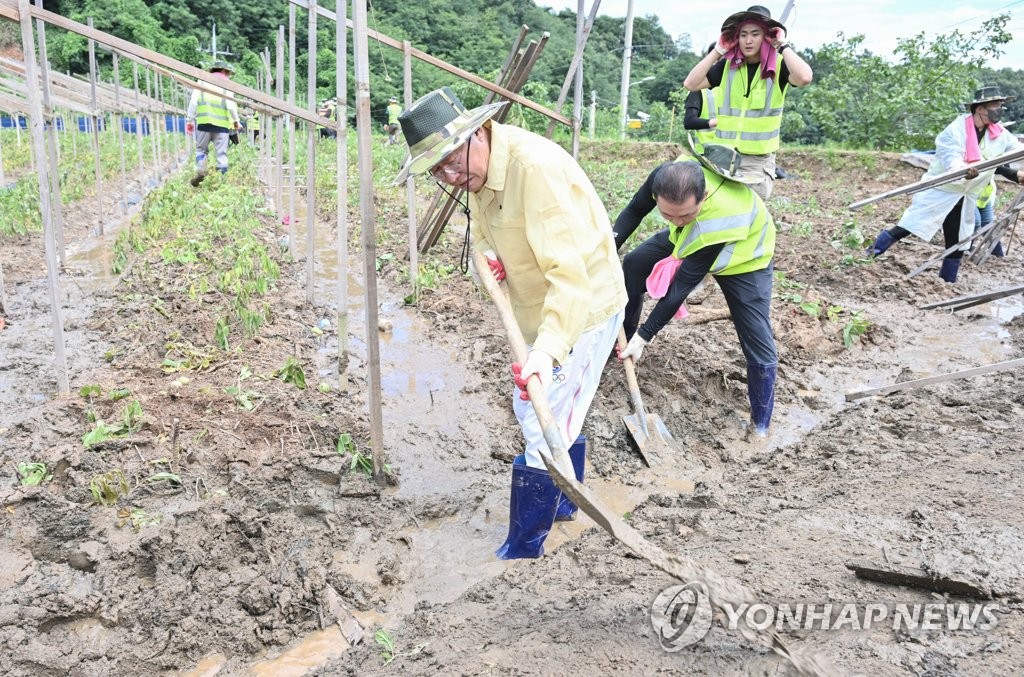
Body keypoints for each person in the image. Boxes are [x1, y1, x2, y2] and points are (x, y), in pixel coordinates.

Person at [393, 87, 627, 560]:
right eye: (436, 169)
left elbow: (571, 276)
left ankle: (523, 550)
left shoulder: (531, 169)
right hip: (535, 308)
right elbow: (486, 232)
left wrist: (545, 353)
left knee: (545, 425)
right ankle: (563, 504)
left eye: (452, 160)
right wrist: (496, 256)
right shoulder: (477, 177)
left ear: (479, 133)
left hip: (580, 311)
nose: (449, 175)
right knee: (544, 414)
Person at [613, 141, 779, 439]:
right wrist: (608, 249)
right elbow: (635, 210)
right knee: (635, 264)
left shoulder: (719, 218)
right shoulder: (667, 178)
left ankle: (761, 424)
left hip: (745, 257)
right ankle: (620, 343)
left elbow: (679, 289)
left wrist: (645, 336)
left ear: (703, 197)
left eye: (684, 215)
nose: (675, 221)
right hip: (696, 233)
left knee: (755, 333)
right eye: (668, 216)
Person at [867, 86, 1024, 282]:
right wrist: (964, 170)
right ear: (980, 109)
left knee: (957, 241)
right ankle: (870, 254)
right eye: (995, 105)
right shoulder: (955, 130)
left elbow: (1009, 154)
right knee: (909, 225)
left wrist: (1017, 174)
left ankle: (947, 281)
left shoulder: (998, 133)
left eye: (1000, 106)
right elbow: (952, 160)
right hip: (942, 189)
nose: (999, 110)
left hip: (965, 195)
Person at [682, 5, 812, 201]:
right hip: (722, 158)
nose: (748, 40)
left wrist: (782, 45)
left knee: (746, 216)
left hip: (756, 164)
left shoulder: (779, 66)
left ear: (767, 37)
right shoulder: (728, 66)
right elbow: (690, 84)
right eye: (743, 34)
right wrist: (718, 50)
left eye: (755, 34)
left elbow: (804, 77)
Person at [185, 61, 241, 187]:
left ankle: (201, 170)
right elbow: (231, 106)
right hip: (221, 127)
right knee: (221, 153)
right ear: (224, 71)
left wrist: (190, 119)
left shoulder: (202, 82)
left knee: (201, 150)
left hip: (203, 123)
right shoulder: (227, 84)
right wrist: (236, 121)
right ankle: (221, 182)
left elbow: (193, 102)